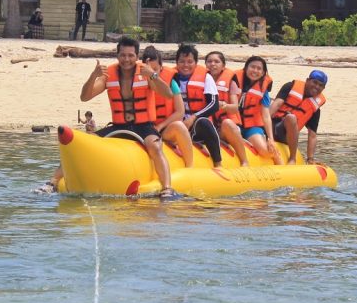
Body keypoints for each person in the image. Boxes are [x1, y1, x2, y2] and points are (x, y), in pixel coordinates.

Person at [42, 37, 176, 195]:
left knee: (155, 147)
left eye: (131, 55)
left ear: (137, 56)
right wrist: (94, 75)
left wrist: (153, 75)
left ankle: (167, 188)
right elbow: (85, 97)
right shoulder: (108, 74)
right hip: (119, 126)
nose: (126, 59)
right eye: (123, 55)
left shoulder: (145, 73)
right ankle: (52, 183)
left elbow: (168, 94)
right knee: (86, 143)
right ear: (117, 55)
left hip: (143, 126)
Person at [170, 44, 223, 167]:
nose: (186, 65)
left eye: (190, 62)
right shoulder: (171, 78)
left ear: (196, 63)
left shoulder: (206, 77)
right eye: (182, 61)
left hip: (197, 124)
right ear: (176, 62)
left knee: (204, 122)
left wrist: (194, 117)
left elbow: (214, 104)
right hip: (177, 124)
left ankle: (218, 164)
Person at [225, 56, 281, 165]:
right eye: (252, 67)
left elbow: (265, 115)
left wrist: (270, 139)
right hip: (233, 123)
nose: (255, 71)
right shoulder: (233, 81)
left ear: (263, 72)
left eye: (259, 69)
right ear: (246, 68)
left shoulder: (262, 89)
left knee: (265, 151)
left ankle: (281, 166)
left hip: (251, 126)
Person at [142, 45, 192, 165]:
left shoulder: (171, 83)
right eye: (148, 69)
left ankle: (190, 166)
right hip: (143, 129)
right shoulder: (135, 81)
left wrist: (160, 126)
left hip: (164, 129)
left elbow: (180, 112)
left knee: (179, 126)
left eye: (155, 69)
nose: (151, 73)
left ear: (161, 67)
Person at [270, 69, 327, 164]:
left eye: (320, 85)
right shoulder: (290, 87)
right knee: (265, 106)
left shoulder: (314, 107)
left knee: (291, 118)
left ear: (323, 88)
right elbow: (276, 104)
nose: (317, 87)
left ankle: (292, 158)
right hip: (272, 126)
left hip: (285, 136)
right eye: (315, 82)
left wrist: (310, 159)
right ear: (308, 80)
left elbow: (312, 135)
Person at [204, 51, 249, 165]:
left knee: (227, 123)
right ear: (205, 65)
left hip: (228, 127)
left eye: (216, 61)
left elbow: (235, 108)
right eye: (209, 61)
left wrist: (223, 106)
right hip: (211, 128)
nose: (212, 64)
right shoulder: (202, 81)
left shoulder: (231, 81)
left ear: (223, 65)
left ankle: (244, 161)